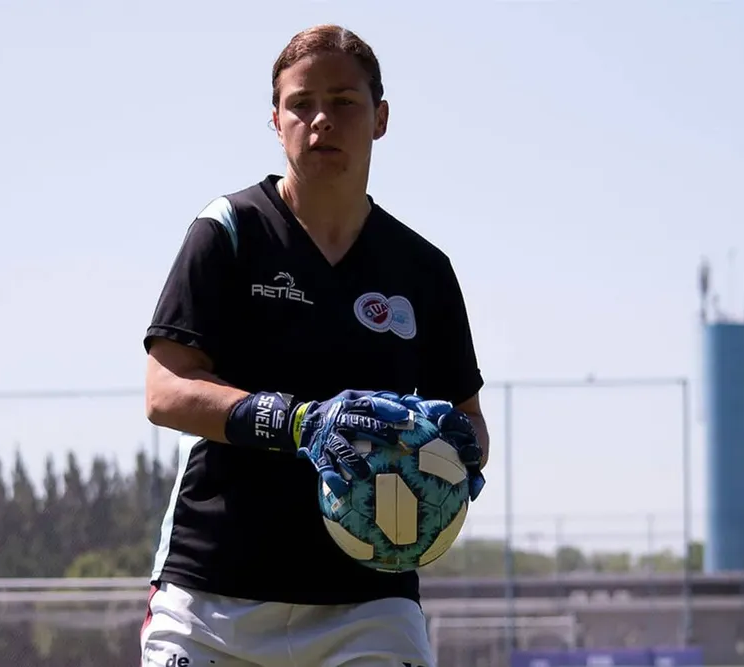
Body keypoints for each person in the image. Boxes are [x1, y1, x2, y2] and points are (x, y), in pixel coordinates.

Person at [140, 23, 490, 667]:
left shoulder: (423, 270)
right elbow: (165, 392)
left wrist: (459, 450)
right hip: (213, 599)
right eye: (301, 103)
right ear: (276, 120)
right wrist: (299, 423)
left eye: (344, 102)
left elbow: (468, 421)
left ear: (380, 118)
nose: (321, 119)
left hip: (369, 607)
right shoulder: (229, 231)